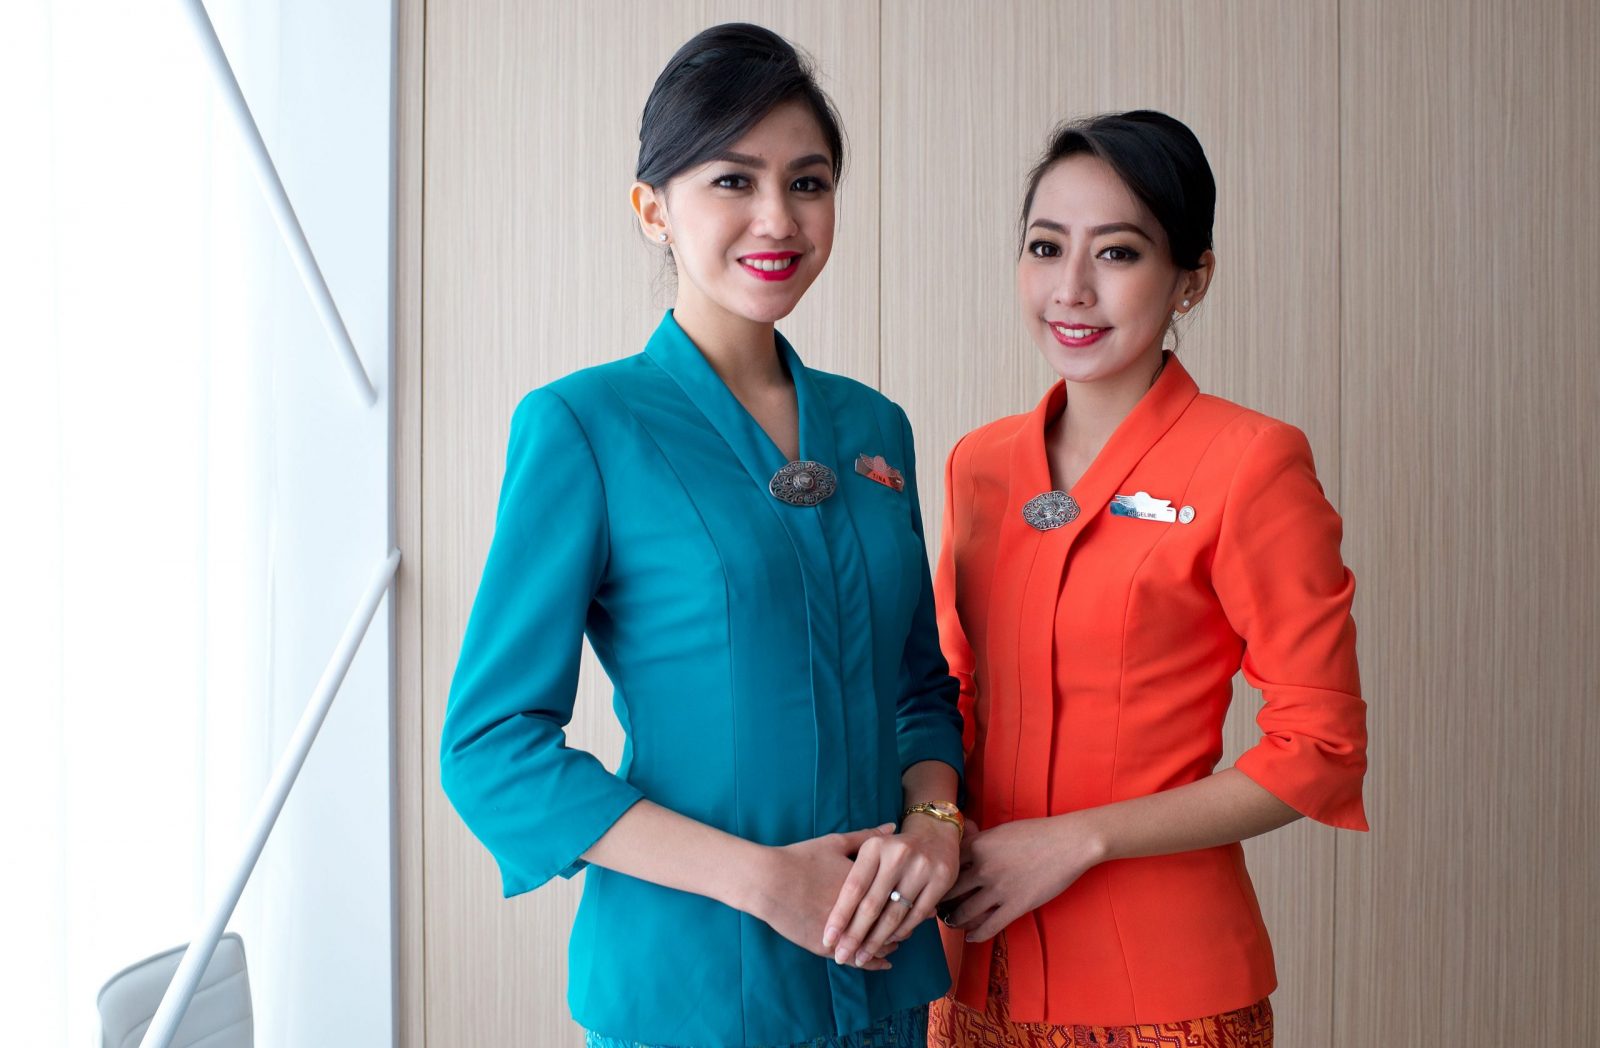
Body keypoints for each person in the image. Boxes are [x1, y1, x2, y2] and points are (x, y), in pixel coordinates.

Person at [439, 23, 964, 1048]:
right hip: (691, 992)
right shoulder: (585, 426)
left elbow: (917, 691)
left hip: (884, 980)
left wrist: (935, 826)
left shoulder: (875, 428)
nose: (778, 218)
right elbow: (490, 748)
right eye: (733, 180)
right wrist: (764, 882)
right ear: (653, 210)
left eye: (808, 183)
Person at [926, 111, 1369, 1047]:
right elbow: (946, 692)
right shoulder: (980, 464)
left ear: (1190, 279)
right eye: (1046, 247)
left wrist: (1079, 840)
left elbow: (1318, 748)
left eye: (1118, 253)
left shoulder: (1250, 461)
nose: (1072, 288)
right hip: (967, 968)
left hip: (1167, 993)